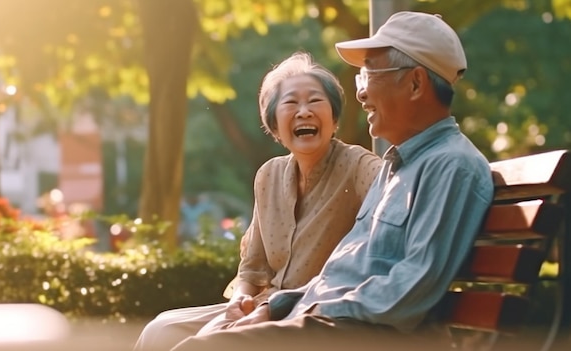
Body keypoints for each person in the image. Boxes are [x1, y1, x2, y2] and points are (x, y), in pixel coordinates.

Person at [170, 11, 495, 351]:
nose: (361, 94)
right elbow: (341, 271)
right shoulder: (397, 166)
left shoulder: (451, 167)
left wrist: (304, 311)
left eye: (369, 75)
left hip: (362, 335)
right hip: (334, 323)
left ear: (415, 84)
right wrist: (274, 307)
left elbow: (409, 290)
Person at [132, 52, 382, 350]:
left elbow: (394, 186)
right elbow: (252, 267)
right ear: (275, 127)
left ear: (335, 118)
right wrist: (239, 300)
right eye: (291, 103)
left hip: (314, 314)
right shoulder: (268, 175)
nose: (304, 111)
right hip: (262, 306)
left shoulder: (358, 166)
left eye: (315, 100)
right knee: (158, 331)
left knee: (201, 344)